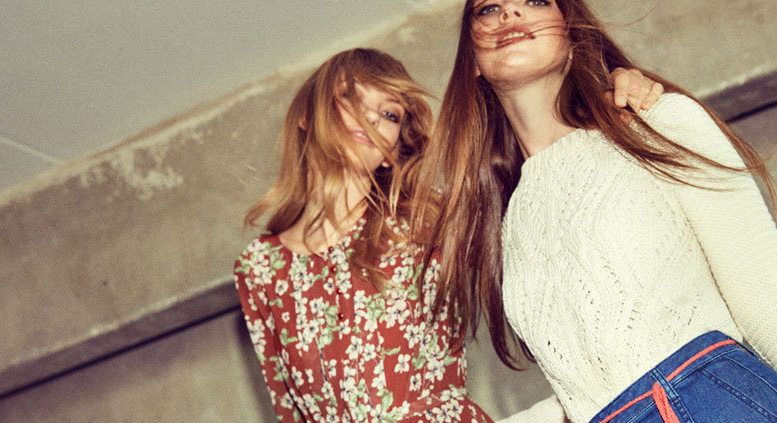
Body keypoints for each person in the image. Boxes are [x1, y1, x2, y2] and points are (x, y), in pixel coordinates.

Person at [409, 1, 777, 422]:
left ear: (572, 34)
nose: (510, 14)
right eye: (489, 8)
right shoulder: (503, 218)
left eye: (537, 0)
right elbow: (584, 386)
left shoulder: (655, 123)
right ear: (472, 62)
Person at [233, 47, 664, 422]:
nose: (370, 116)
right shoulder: (259, 268)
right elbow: (289, 408)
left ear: (394, 148)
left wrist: (604, 91)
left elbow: (543, 190)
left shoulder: (429, 220)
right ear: (306, 114)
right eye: (349, 97)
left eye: (389, 113)